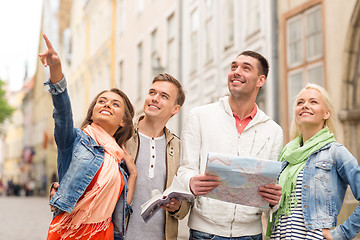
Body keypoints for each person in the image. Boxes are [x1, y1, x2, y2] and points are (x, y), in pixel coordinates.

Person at [39, 33, 137, 240]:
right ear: (92, 112)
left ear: (123, 122)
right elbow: (62, 112)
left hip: (105, 234)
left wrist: (134, 175)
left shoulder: (119, 158)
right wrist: (56, 68)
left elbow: (121, 210)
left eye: (115, 104)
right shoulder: (73, 141)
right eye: (102, 101)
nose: (107, 104)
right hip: (70, 233)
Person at [176, 50, 284, 239]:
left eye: (246, 68)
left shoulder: (273, 131)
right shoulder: (199, 117)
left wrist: (274, 200)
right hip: (204, 232)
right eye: (234, 67)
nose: (236, 71)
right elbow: (185, 170)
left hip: (251, 234)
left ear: (260, 80)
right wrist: (191, 182)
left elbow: (271, 186)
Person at [270, 84, 360, 240]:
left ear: (326, 113)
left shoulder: (335, 152)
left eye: (313, 102)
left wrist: (339, 234)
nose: (305, 106)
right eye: (300, 103)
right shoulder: (286, 155)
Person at [124, 73, 190, 240]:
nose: (154, 98)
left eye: (164, 96)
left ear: (175, 109)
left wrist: (177, 207)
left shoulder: (179, 147)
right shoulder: (122, 138)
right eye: (152, 92)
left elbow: (185, 208)